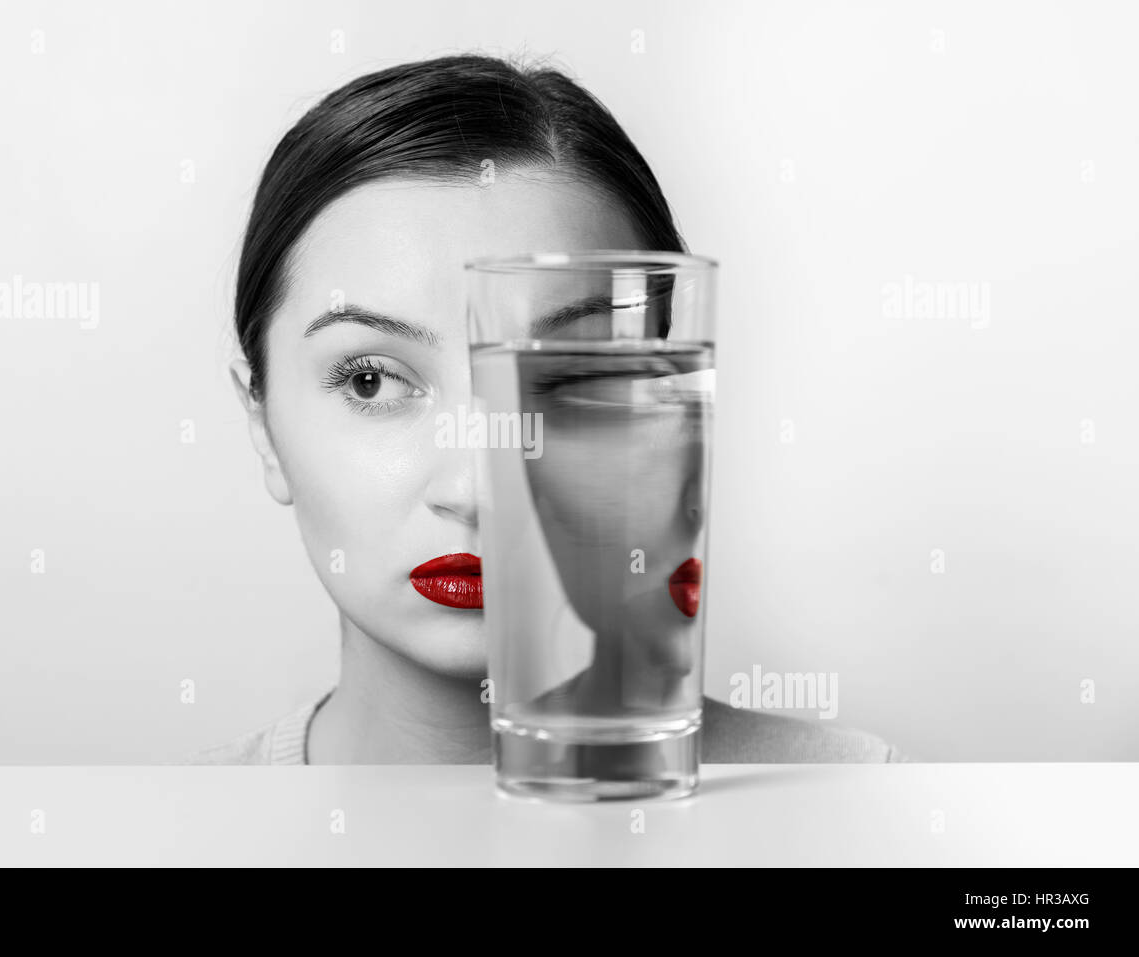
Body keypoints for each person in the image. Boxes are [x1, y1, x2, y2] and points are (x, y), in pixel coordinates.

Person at [190, 53, 906, 766]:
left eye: (569, 374)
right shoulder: (159, 833)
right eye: (371, 381)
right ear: (262, 425)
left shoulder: (857, 804)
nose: (475, 489)